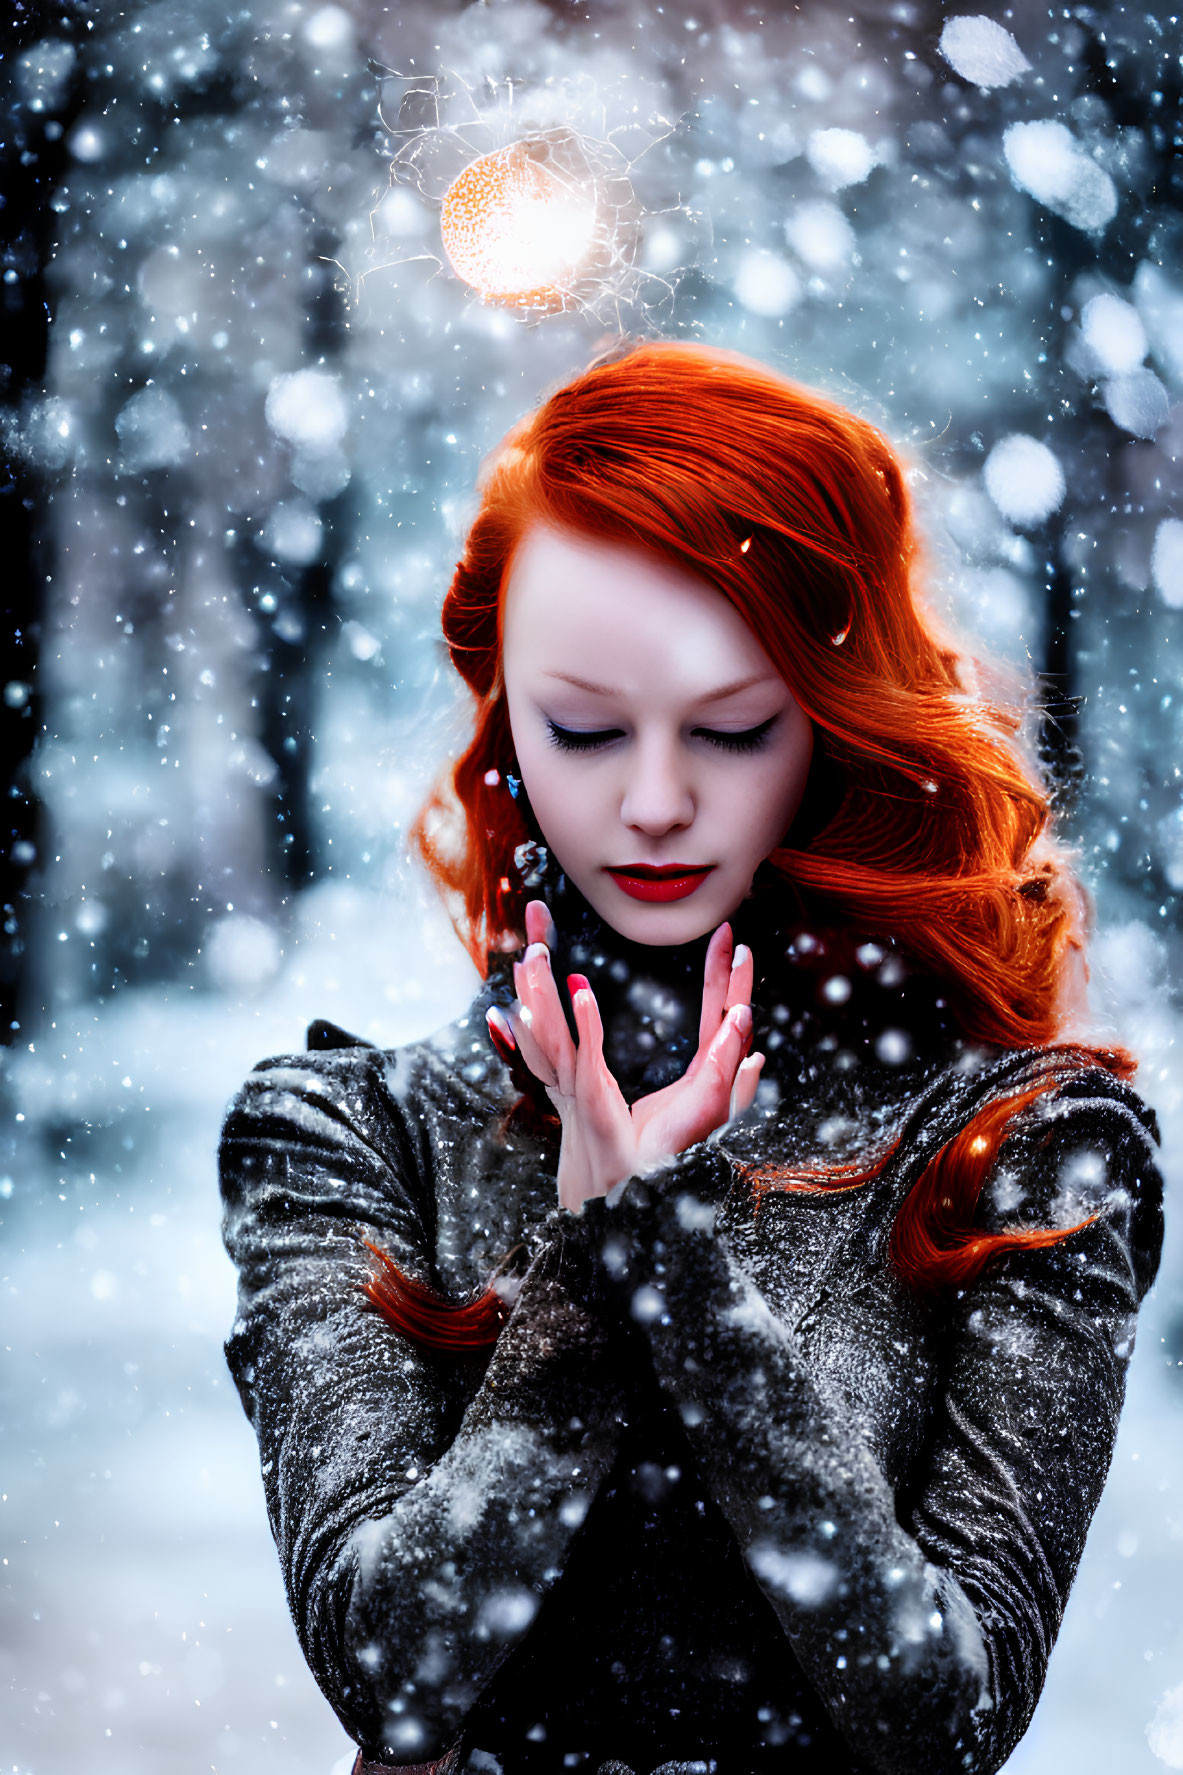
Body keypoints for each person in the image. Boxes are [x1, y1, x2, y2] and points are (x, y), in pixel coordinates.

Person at [219, 342, 1164, 1775]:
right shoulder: (348, 1133)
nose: (654, 802)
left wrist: (663, 1257)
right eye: (585, 728)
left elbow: (950, 1716)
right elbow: (394, 1666)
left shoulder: (1026, 1148)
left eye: (731, 729)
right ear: (502, 714)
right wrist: (589, 1294)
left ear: (834, 720)